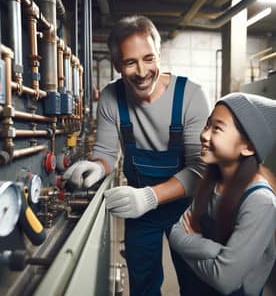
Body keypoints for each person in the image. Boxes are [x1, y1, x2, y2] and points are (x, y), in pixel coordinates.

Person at [63, 15, 210, 295]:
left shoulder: (191, 96)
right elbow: (106, 153)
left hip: (189, 209)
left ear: (159, 54)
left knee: (195, 284)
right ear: (117, 65)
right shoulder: (110, 97)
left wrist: (150, 196)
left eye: (148, 58)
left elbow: (199, 170)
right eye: (130, 62)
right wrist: (96, 167)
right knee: (142, 285)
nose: (142, 72)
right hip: (141, 213)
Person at [169, 92, 276, 296]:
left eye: (217, 128)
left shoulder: (260, 201)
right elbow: (175, 234)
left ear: (249, 146)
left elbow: (225, 280)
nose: (204, 135)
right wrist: (214, 252)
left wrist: (190, 245)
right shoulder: (213, 182)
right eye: (207, 125)